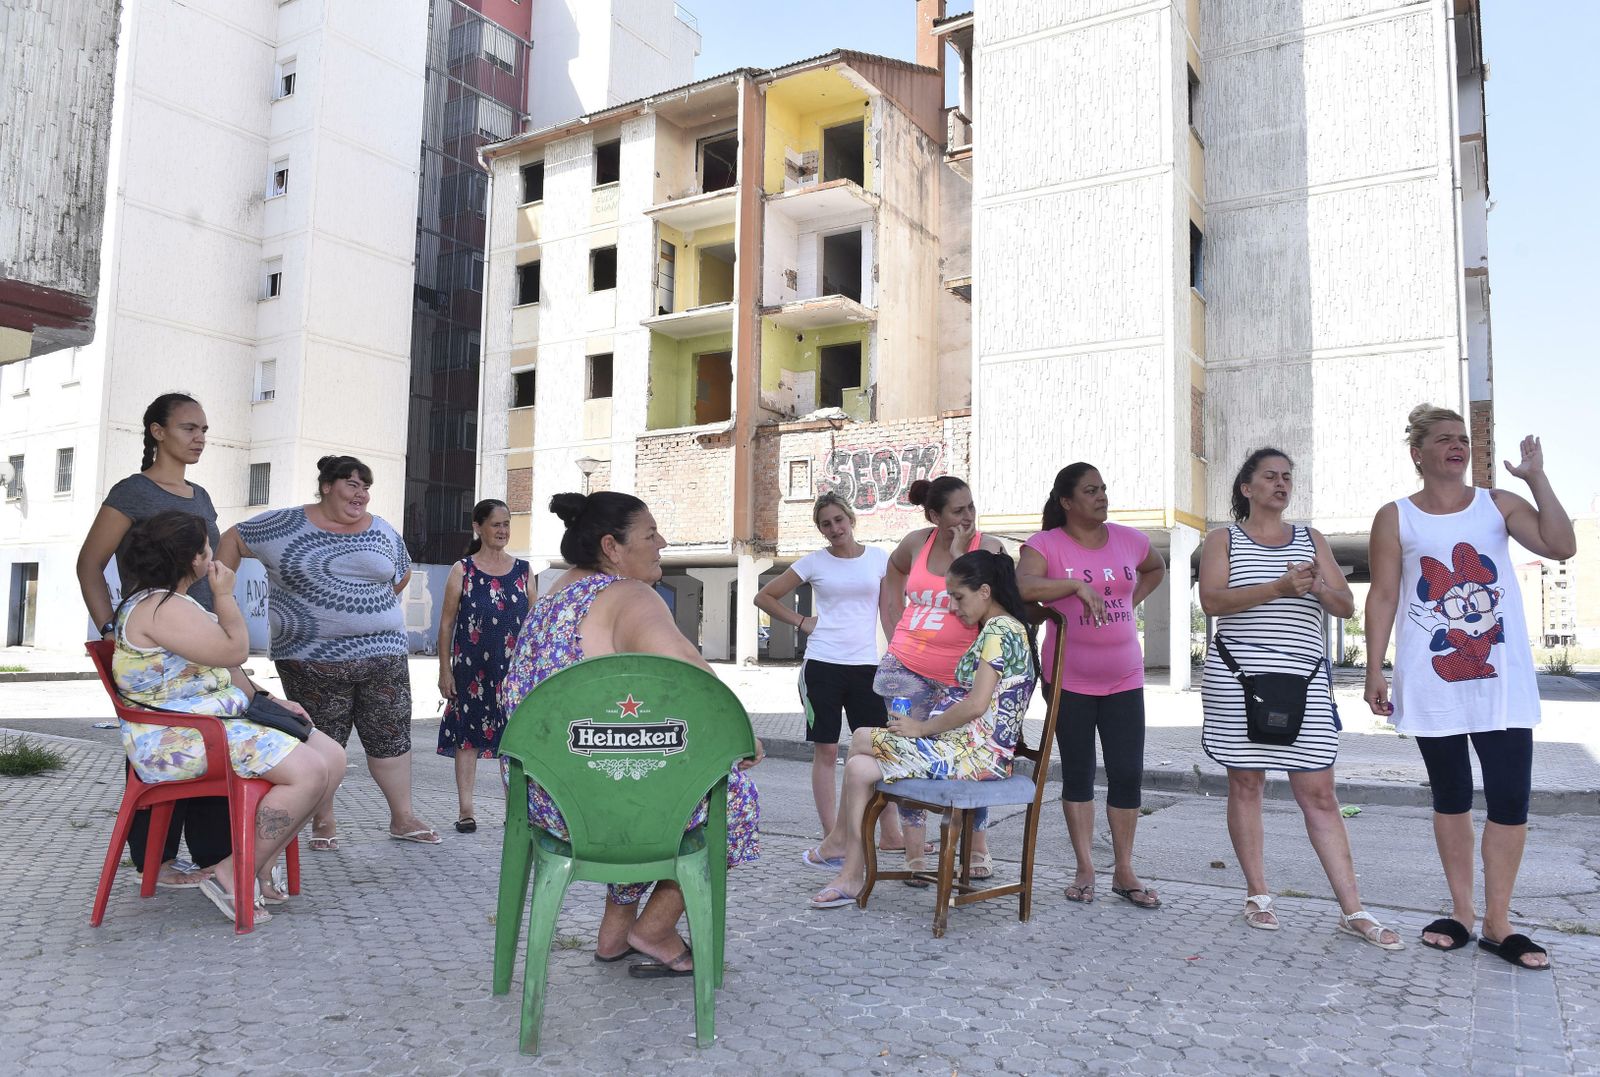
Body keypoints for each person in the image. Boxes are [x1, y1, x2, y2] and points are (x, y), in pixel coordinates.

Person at [498, 492, 763, 977]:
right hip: (599, 803)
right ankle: (655, 929)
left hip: (538, 796)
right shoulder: (629, 595)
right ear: (612, 547)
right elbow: (691, 676)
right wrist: (739, 736)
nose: (662, 543)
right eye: (650, 534)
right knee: (730, 798)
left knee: (639, 773)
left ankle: (615, 933)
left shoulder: (552, 596)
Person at [1365, 406, 1573, 969]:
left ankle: (1499, 924)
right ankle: (1461, 913)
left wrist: (1536, 478)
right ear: (1418, 453)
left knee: (1509, 799)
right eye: (1443, 439)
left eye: (1462, 438)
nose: (1457, 445)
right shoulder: (1396, 517)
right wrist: (1374, 668)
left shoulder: (1497, 504)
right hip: (1432, 680)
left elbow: (1560, 545)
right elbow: (1383, 595)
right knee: (1451, 795)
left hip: (1502, 683)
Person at [1198, 449, 1401, 948]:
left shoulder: (1312, 539)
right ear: (1246, 488)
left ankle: (1353, 910)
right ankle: (1258, 895)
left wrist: (1316, 589)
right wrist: (1278, 587)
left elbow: (1345, 604)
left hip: (1304, 682)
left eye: (1287, 477)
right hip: (1238, 680)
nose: (1281, 484)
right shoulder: (1222, 539)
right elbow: (1212, 600)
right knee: (1246, 784)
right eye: (1270, 476)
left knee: (1320, 793)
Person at [111, 511, 346, 923]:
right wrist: (224, 596)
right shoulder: (159, 607)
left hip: (213, 725)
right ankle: (232, 872)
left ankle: (258, 864)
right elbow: (234, 650)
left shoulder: (175, 603)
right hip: (176, 738)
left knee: (333, 758)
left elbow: (225, 666)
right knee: (309, 772)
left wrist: (268, 699)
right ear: (191, 559)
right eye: (206, 548)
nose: (213, 556)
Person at [218, 455, 439, 847]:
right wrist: (221, 596)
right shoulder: (283, 524)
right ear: (326, 487)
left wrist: (365, 609)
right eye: (352, 484)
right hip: (309, 658)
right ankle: (323, 820)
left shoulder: (382, 529)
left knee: (390, 736)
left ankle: (402, 817)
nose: (361, 494)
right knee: (321, 739)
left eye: (365, 487)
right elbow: (233, 538)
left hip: (383, 655)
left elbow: (401, 573)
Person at [806, 550, 1037, 909]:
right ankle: (851, 873)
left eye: (958, 597)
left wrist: (922, 728)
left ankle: (841, 847)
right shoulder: (1005, 628)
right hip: (967, 750)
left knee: (862, 736)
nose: (953, 608)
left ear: (985, 591)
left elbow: (976, 705)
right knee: (859, 767)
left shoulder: (999, 629)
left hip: (977, 757)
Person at [77, 392, 230, 888]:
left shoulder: (201, 496)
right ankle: (154, 862)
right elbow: (89, 565)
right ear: (157, 432)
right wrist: (110, 630)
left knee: (215, 737)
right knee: (157, 746)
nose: (199, 438)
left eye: (204, 430)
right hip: (153, 645)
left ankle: (215, 858)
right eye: (189, 428)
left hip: (201, 639)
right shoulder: (132, 492)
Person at [1018, 463, 1166, 909]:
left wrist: (1127, 601)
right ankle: (1085, 868)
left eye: (1103, 489)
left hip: (1125, 676)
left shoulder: (1129, 539)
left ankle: (1124, 870)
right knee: (1079, 772)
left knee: (1127, 773)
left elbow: (1155, 567)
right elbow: (1022, 587)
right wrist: (1072, 587)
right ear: (1067, 501)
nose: (1101, 497)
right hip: (1069, 679)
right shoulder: (1045, 544)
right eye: (1090, 491)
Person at [752, 493, 903, 849]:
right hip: (822, 666)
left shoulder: (879, 559)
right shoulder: (815, 562)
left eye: (838, 520)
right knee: (828, 751)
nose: (834, 528)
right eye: (826, 524)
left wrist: (898, 656)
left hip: (866, 667)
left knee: (878, 749)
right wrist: (802, 621)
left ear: (850, 519)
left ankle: (891, 834)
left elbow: (888, 612)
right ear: (820, 530)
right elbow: (764, 597)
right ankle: (832, 835)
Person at [875, 476, 1005, 881]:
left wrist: (961, 555)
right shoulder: (916, 542)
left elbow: (999, 605)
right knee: (907, 755)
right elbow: (893, 572)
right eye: (957, 510)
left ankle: (977, 848)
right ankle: (915, 853)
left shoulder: (989, 548)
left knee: (967, 758)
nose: (968, 516)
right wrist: (894, 623)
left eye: (971, 507)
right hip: (904, 669)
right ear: (934, 515)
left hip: (962, 676)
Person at [436, 499, 530, 833]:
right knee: (467, 738)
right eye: (496, 524)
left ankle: (515, 811)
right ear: (478, 527)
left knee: (515, 740)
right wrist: (444, 670)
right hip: (470, 670)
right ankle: (466, 811)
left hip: (513, 673)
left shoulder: (523, 571)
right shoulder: (463, 570)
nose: (503, 531)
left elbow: (533, 625)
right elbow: (447, 624)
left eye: (506, 524)